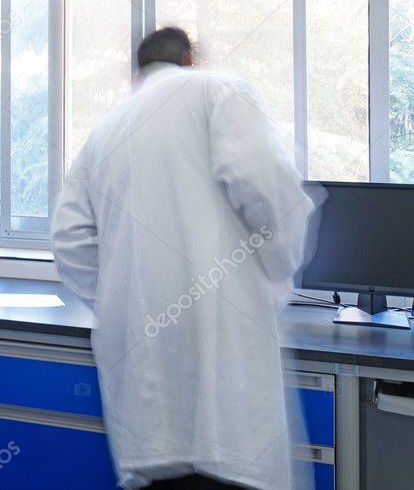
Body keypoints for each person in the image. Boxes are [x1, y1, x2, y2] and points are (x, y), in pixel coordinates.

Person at [51, 27, 316, 490]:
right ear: (190, 59)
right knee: (230, 463)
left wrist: (122, 300)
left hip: (145, 388)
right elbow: (273, 194)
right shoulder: (221, 90)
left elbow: (70, 240)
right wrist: (275, 276)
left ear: (138, 74)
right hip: (228, 363)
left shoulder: (106, 130)